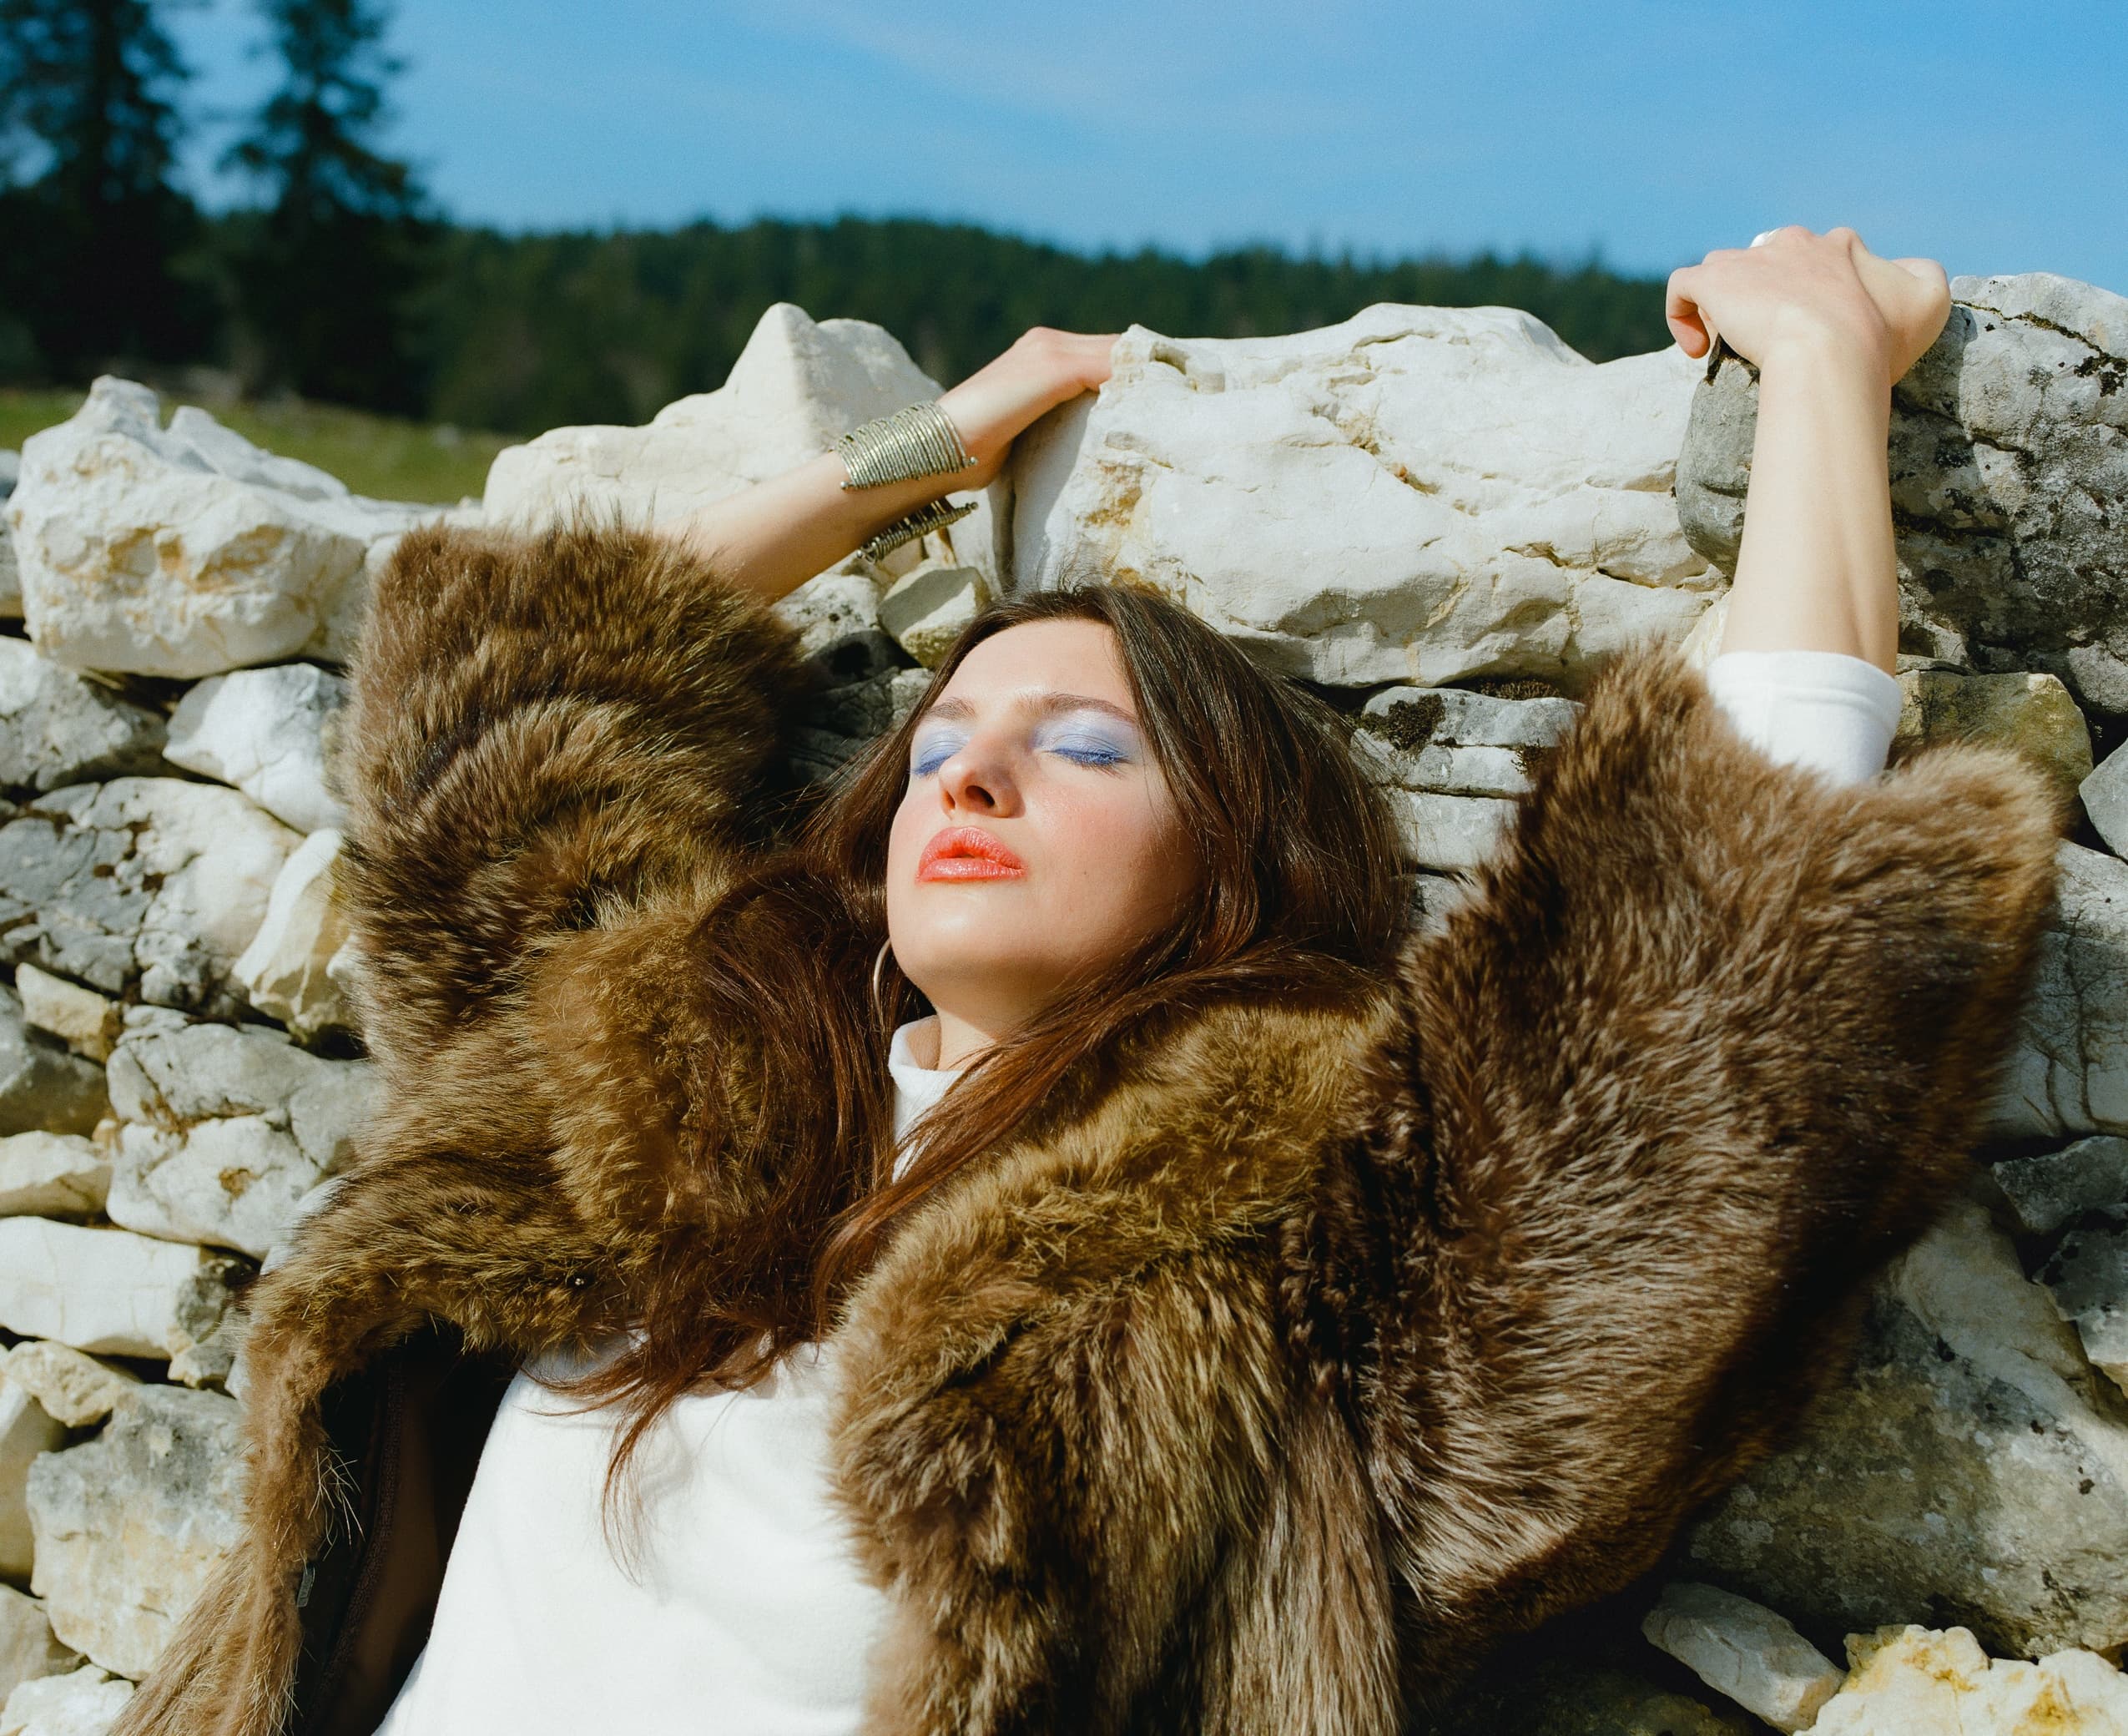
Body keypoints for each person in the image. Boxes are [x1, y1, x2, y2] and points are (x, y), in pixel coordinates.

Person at [116, 226, 2064, 1736]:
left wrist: (1823, 364)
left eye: (1092, 746)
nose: (971, 765)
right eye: (947, 733)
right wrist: (928, 448)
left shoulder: (1311, 1257)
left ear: (1236, 864)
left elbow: (1723, 977)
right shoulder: (641, 1072)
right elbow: (514, 716)